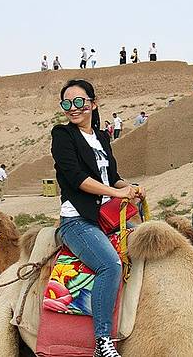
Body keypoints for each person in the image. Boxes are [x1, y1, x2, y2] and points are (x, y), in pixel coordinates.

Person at [51, 79, 145, 357]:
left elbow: (112, 177)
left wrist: (131, 188)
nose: (73, 108)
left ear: (93, 104)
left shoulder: (102, 137)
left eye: (79, 101)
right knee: (110, 265)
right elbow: (77, 178)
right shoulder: (63, 136)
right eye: (67, 103)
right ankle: (103, 342)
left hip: (107, 218)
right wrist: (117, 193)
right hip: (78, 221)